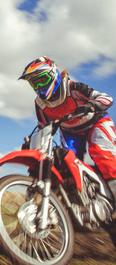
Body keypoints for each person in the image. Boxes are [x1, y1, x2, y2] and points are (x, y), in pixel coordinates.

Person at [19, 56, 116, 200]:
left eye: (42, 80)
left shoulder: (73, 88)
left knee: (103, 155)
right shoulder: (40, 104)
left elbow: (106, 98)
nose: (39, 86)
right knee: (67, 165)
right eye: (35, 83)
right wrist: (33, 144)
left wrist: (90, 105)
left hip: (96, 122)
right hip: (70, 131)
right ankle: (80, 202)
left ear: (54, 75)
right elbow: (44, 129)